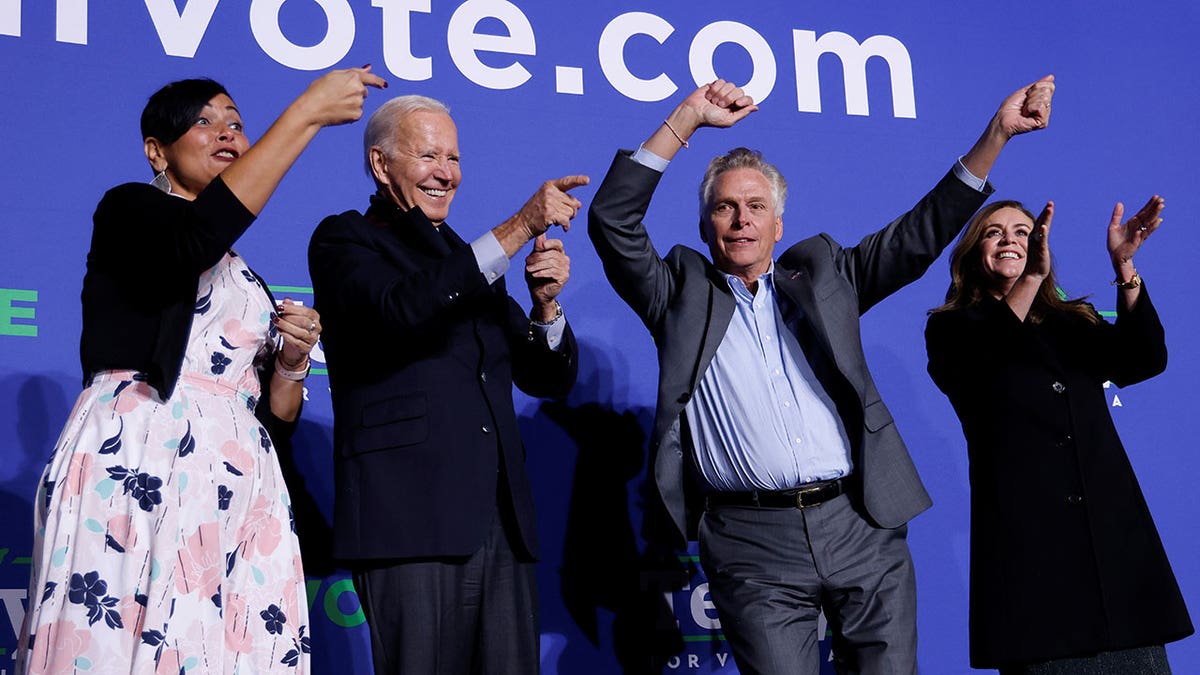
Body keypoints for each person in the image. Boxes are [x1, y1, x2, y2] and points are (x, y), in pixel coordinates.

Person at [587, 75, 1055, 674]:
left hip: (861, 524)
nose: (740, 220)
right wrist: (686, 121)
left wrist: (997, 135)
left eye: (757, 206)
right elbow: (612, 219)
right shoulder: (676, 295)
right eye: (724, 208)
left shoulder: (826, 276)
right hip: (751, 542)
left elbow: (918, 235)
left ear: (778, 225)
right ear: (705, 227)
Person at [15, 68, 386, 674]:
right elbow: (194, 240)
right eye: (204, 122)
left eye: (237, 125)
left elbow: (278, 420)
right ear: (156, 151)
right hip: (142, 457)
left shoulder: (245, 276)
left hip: (238, 483)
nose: (226, 135)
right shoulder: (129, 210)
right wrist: (307, 115)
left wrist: (290, 365)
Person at [308, 94, 582, 674]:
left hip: (500, 521)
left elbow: (544, 377)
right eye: (429, 155)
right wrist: (518, 227)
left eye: (453, 158)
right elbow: (401, 311)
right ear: (382, 165)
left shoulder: (466, 257)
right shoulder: (346, 240)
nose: (446, 173)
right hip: (409, 518)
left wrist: (545, 310)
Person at [924, 197, 1193, 673]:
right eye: (994, 232)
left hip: (1115, 561)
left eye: (1023, 232)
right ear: (972, 254)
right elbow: (991, 356)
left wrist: (1124, 264)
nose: (1010, 238)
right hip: (1033, 570)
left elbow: (1143, 358)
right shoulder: (952, 329)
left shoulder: (1072, 321)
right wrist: (1030, 280)